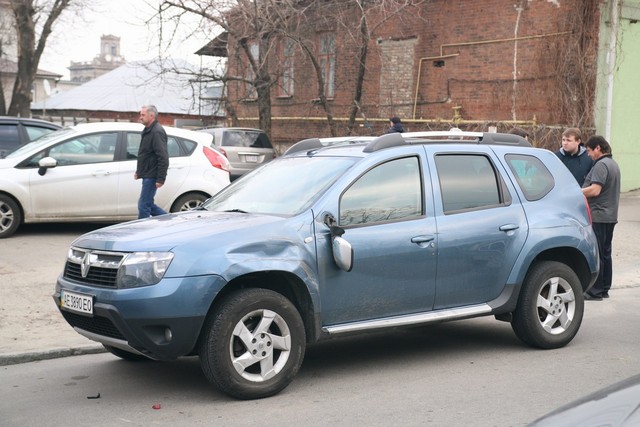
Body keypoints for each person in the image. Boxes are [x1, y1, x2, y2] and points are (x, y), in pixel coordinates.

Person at [581, 135, 621, 301]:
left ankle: (595, 291)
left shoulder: (601, 165)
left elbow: (595, 190)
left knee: (597, 253)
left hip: (599, 215)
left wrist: (575, 192)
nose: (588, 154)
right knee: (605, 253)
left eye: (589, 151)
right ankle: (604, 288)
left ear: (598, 148)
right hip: (609, 216)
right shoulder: (613, 163)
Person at [135, 105, 169, 219]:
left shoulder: (157, 132)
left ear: (151, 115)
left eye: (143, 115)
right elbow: (145, 154)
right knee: (149, 205)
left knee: (143, 206)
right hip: (147, 174)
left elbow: (163, 156)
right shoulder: (147, 131)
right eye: (140, 115)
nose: (140, 117)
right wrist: (139, 172)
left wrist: (160, 178)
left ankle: (143, 228)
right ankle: (171, 221)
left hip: (152, 175)